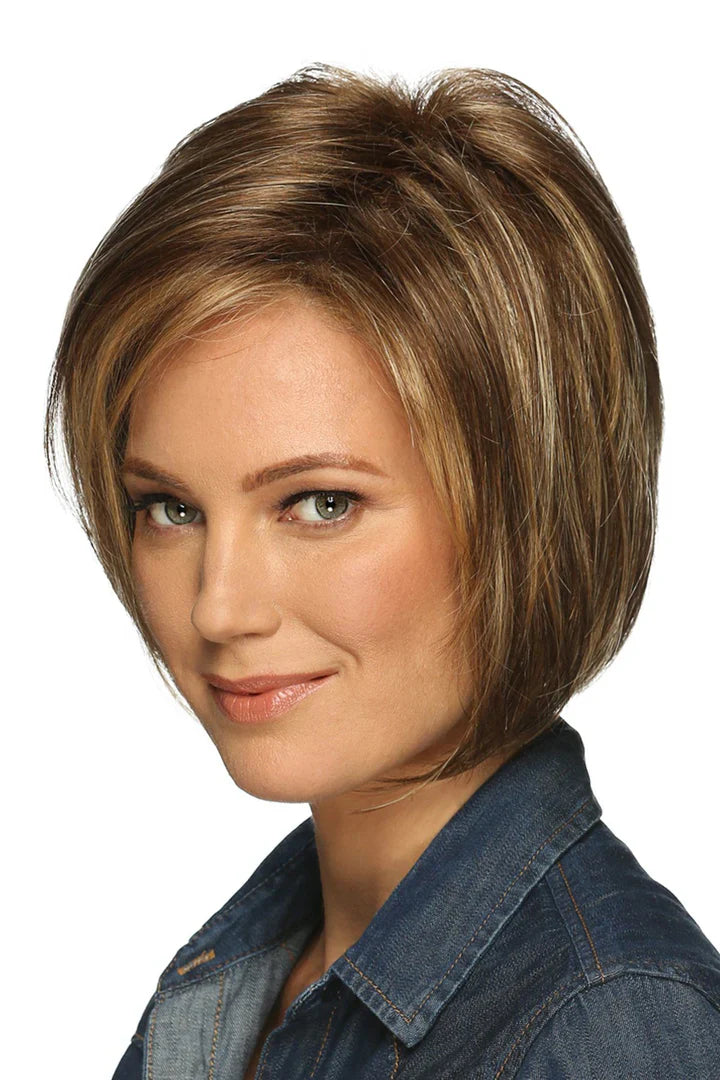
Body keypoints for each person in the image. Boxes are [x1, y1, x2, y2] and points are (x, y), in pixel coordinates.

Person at [44, 63, 720, 1079]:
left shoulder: (603, 1029)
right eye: (171, 509)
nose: (219, 608)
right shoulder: (244, 977)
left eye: (321, 504)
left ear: (529, 507)